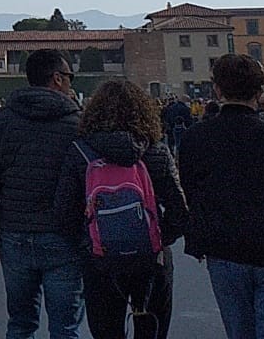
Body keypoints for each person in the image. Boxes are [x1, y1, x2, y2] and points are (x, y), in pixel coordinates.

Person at [179, 53, 264, 339]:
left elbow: (192, 194)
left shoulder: (194, 139)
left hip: (225, 248)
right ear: (260, 91)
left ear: (217, 89)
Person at [52, 80, 188, 339]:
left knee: (107, 332)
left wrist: (87, 242)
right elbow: (179, 211)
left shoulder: (80, 152)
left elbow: (64, 214)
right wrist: (158, 238)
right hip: (152, 257)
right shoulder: (156, 151)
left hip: (100, 259)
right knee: (153, 330)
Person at [0, 48, 84, 339]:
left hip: (15, 232)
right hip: (64, 234)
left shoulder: (1, 120)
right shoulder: (76, 123)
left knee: (20, 324)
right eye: (69, 77)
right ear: (57, 78)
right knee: (66, 328)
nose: (71, 83)